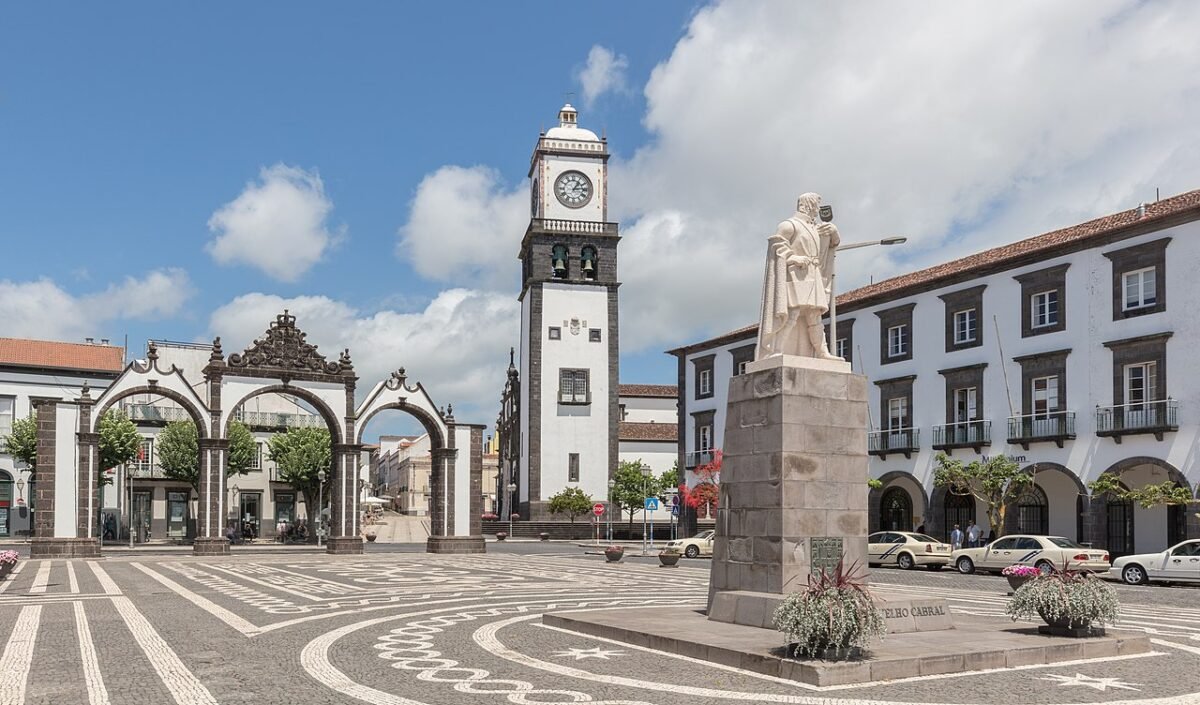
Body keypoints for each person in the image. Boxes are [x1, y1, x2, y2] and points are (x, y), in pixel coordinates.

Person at [756, 193, 841, 360]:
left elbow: (833, 244)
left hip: (813, 274)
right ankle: (777, 350)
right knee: (792, 312)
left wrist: (834, 231)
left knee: (814, 316)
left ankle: (823, 352)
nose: (818, 209)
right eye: (816, 205)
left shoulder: (815, 228)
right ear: (808, 205)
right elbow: (777, 246)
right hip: (797, 275)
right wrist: (792, 257)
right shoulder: (789, 225)